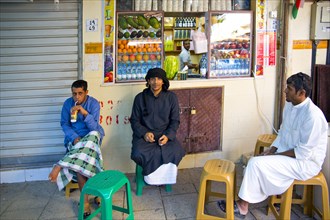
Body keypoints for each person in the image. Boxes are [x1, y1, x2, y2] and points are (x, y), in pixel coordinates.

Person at [218, 72, 328, 218]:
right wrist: (272, 150)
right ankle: (267, 196)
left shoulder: (313, 116)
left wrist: (275, 155)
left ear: (301, 93)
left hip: (305, 163)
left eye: (289, 89)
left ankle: (243, 206)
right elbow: (282, 132)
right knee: (255, 160)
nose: (285, 91)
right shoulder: (290, 106)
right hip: (288, 154)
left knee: (256, 164)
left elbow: (303, 152)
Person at [48, 80, 105, 218]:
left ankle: (61, 164)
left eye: (80, 93)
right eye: (74, 94)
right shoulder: (68, 104)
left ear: (86, 92)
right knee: (84, 158)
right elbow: (64, 124)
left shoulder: (93, 104)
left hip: (91, 137)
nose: (77, 97)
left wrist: (84, 113)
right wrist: (74, 137)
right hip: (75, 140)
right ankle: (89, 199)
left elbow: (94, 128)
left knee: (89, 142)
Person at [130, 68, 186, 185]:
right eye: (152, 79)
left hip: (164, 135)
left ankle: (165, 179)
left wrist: (168, 136)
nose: (156, 82)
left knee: (176, 151)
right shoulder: (139, 98)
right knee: (138, 152)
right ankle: (150, 179)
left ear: (163, 81)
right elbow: (134, 121)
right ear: (148, 81)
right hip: (144, 137)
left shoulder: (171, 97)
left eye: (159, 79)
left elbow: (175, 121)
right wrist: (144, 133)